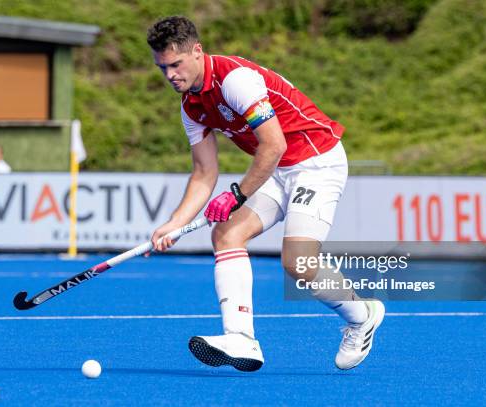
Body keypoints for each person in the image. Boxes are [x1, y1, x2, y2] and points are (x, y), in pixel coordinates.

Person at [147, 16, 384, 372]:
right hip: (276, 170)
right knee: (226, 234)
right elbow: (204, 172)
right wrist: (173, 224)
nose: (170, 76)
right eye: (162, 68)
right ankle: (241, 338)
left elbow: (273, 145)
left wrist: (237, 195)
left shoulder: (235, 80)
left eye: (175, 64)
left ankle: (362, 314)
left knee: (297, 263)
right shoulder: (191, 107)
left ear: (197, 51)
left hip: (316, 161)